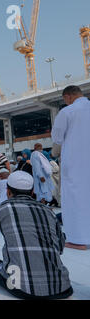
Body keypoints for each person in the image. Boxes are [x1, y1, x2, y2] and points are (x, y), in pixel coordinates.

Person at [0, 171, 73, 300]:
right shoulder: (48, 211)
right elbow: (60, 248)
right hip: (63, 288)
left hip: (22, 289)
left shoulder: (0, 209)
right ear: (32, 192)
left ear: (8, 192)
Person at [52, 85, 90, 250]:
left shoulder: (67, 112)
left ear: (67, 97)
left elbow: (57, 137)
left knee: (75, 200)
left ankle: (78, 239)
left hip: (75, 164)